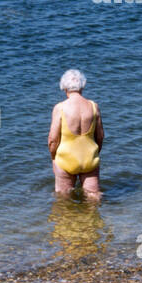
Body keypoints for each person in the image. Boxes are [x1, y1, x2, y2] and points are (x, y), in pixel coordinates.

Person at [48, 69, 104, 200]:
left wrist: (53, 159)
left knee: (63, 202)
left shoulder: (60, 108)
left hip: (66, 160)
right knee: (93, 201)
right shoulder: (93, 106)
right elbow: (100, 136)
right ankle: (92, 220)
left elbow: (52, 140)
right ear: (82, 86)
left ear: (64, 87)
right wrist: (95, 153)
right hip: (89, 159)